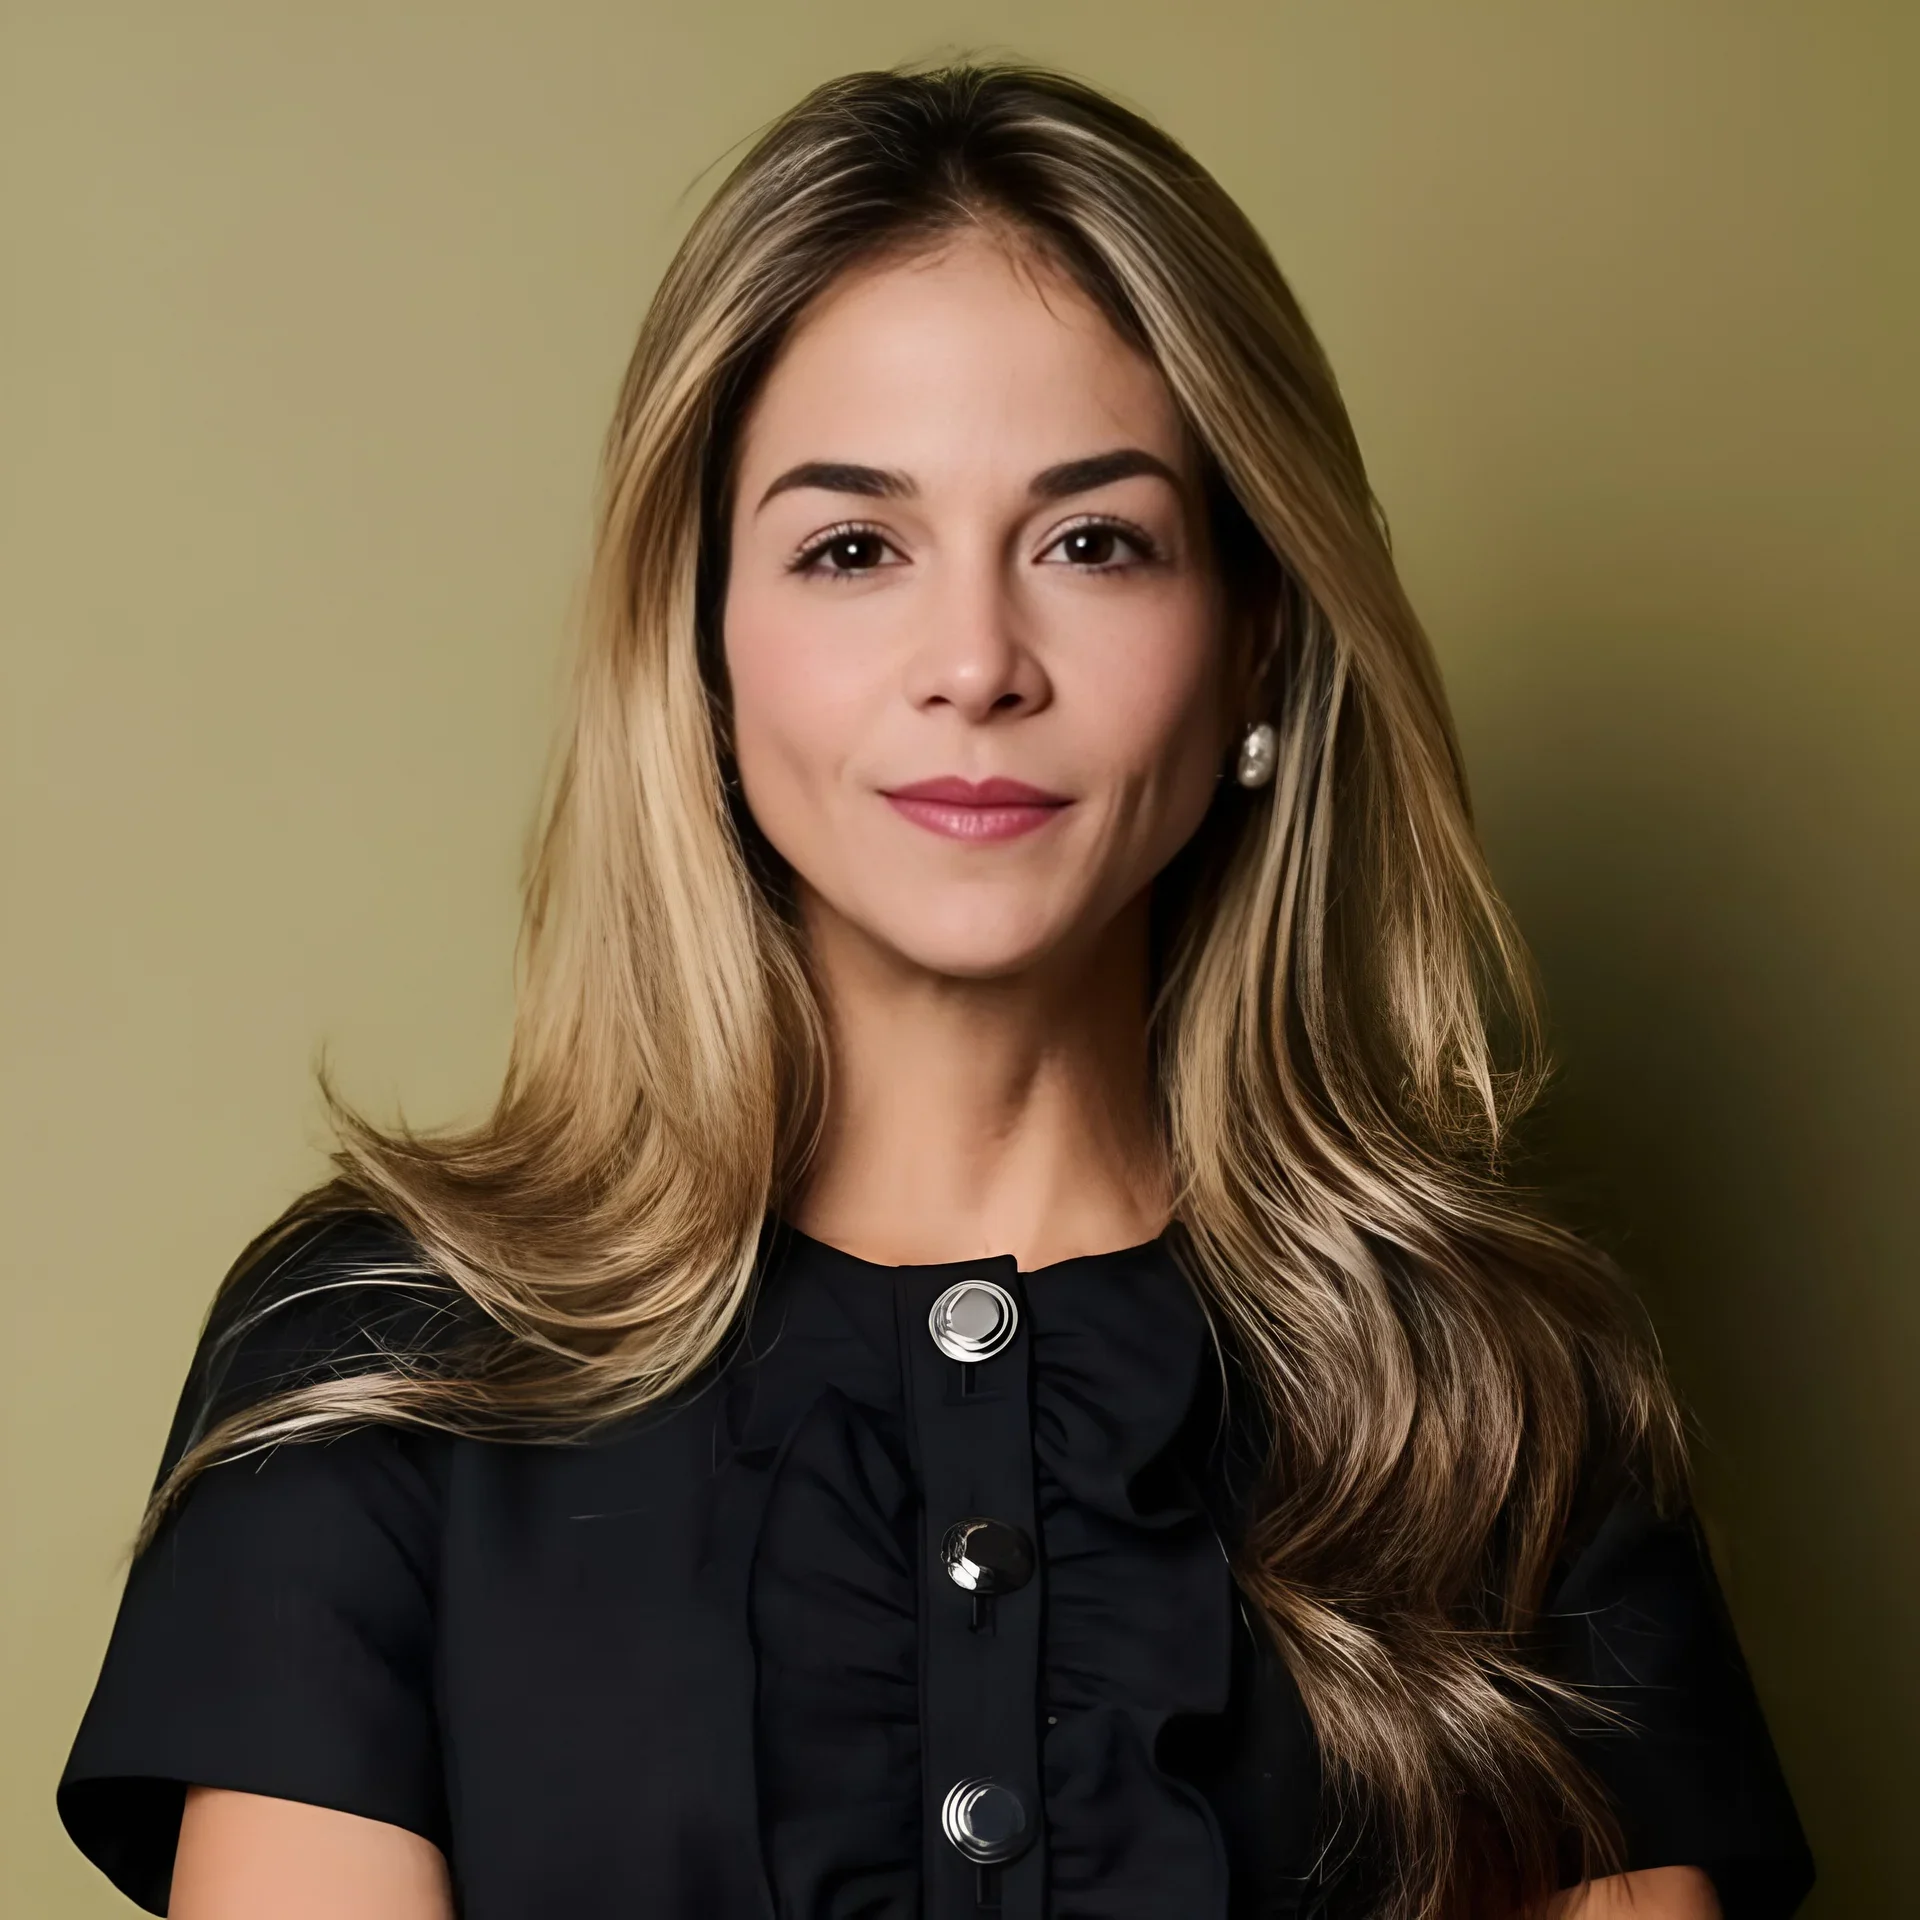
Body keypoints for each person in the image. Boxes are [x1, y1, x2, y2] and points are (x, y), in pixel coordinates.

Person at [58, 61, 1813, 1920]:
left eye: (1093, 541)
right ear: (701, 644)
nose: (975, 662)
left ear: (1256, 643)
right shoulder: (377, 1372)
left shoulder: (1496, 1405)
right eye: (852, 548)